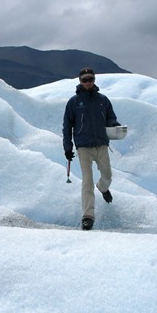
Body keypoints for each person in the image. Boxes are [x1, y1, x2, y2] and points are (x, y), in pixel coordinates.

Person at [62, 68, 121, 230]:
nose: (88, 82)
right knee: (87, 181)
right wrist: (68, 147)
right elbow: (67, 126)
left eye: (90, 79)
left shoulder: (103, 100)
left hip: (101, 144)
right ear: (80, 81)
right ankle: (88, 216)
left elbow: (111, 117)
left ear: (94, 80)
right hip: (84, 147)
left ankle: (103, 187)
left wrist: (114, 126)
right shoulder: (74, 102)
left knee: (107, 175)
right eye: (84, 80)